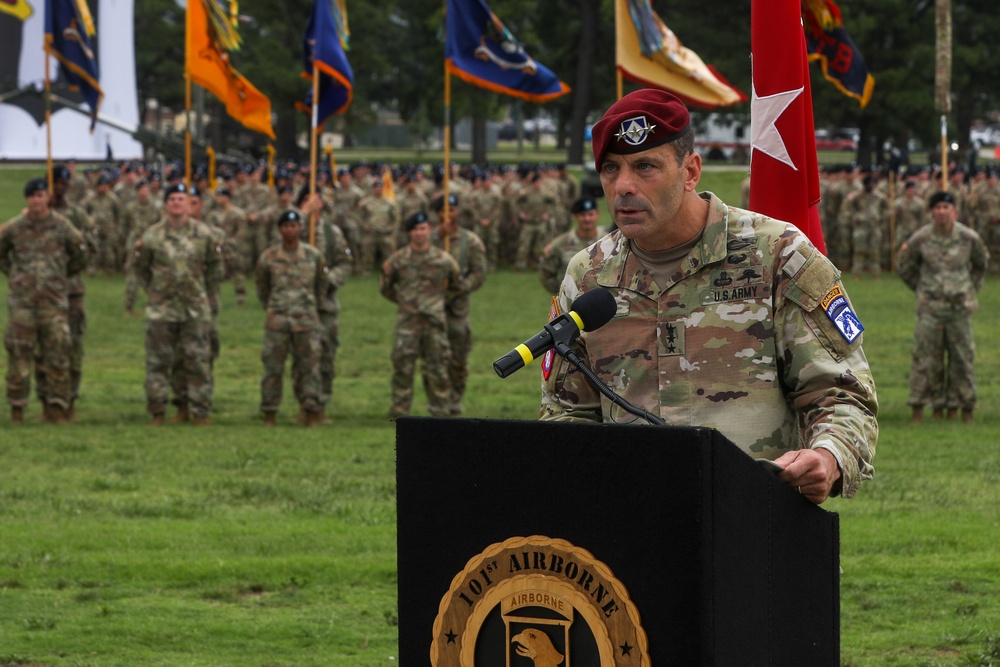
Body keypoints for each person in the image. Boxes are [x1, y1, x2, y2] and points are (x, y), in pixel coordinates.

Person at [539, 89, 878, 504]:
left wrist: (828, 457)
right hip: (629, 525)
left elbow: (842, 394)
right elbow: (566, 412)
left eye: (645, 166)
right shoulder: (587, 275)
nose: (623, 186)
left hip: (755, 520)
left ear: (691, 171)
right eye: (611, 168)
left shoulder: (776, 255)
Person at [132, 183, 223, 425]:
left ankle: (198, 410)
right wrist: (154, 291)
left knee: (197, 361)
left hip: (194, 307)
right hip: (162, 309)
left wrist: (207, 293)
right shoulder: (152, 236)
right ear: (165, 204)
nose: (176, 203)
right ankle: (158, 411)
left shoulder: (204, 234)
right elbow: (141, 268)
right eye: (172, 199)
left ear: (188, 203)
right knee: (158, 363)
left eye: (181, 199)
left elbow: (215, 267)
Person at [0, 178, 87, 424]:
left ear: (47, 198)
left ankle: (56, 408)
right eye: (32, 196)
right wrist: (16, 275)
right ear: (26, 200)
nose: (36, 201)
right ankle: (18, 408)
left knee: (57, 355)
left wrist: (59, 275)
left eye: (40, 196)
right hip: (23, 305)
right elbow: (2, 254)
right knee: (18, 356)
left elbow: (80, 255)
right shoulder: (15, 228)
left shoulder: (62, 226)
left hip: (53, 304)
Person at [898, 191, 989, 424]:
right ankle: (923, 406)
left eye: (946, 207)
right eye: (937, 207)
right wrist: (923, 289)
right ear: (931, 212)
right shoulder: (921, 238)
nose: (941, 211)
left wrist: (969, 289)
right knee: (926, 358)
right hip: (931, 310)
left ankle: (963, 407)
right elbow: (905, 267)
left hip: (959, 309)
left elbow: (981, 264)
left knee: (962, 358)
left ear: (954, 211)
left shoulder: (969, 238)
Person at [380, 212, 462, 418]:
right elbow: (385, 287)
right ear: (409, 233)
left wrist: (438, 301)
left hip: (434, 322)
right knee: (403, 368)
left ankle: (440, 412)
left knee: (437, 369)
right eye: (415, 229)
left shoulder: (443, 260)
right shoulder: (398, 260)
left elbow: (456, 284)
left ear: (429, 231)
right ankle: (400, 412)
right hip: (408, 323)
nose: (420, 233)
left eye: (423, 228)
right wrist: (404, 301)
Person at [255, 210, 327, 427]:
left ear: (301, 229)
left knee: (309, 368)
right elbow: (262, 287)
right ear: (280, 229)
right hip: (278, 320)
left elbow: (321, 286)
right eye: (286, 226)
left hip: (306, 320)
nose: (290, 230)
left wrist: (309, 305)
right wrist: (275, 306)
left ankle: (311, 410)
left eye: (294, 226)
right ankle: (270, 412)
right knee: (273, 368)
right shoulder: (268, 257)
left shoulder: (313, 256)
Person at [429, 194, 487, 416]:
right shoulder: (429, 238)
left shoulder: (470, 241)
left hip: (457, 308)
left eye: (451, 210)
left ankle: (454, 401)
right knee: (433, 358)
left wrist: (462, 287)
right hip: (431, 306)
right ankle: (437, 402)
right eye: (443, 211)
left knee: (457, 357)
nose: (448, 215)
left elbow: (479, 272)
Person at [538, 196, 601, 294]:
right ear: (574, 216)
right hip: (572, 303)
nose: (587, 219)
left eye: (590, 214)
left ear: (597, 214)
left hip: (603, 302)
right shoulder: (560, 244)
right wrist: (564, 293)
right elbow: (546, 274)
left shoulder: (609, 241)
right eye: (582, 215)